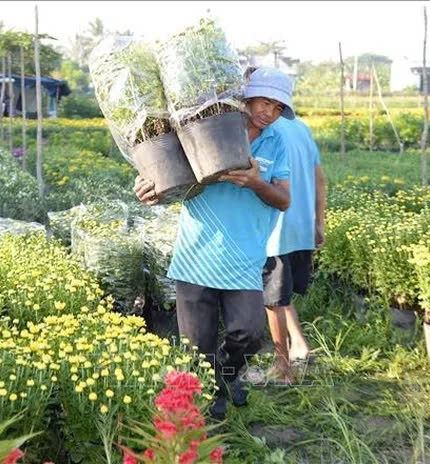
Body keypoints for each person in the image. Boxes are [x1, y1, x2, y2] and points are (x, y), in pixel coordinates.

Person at [134, 67, 295, 420]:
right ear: (246, 97)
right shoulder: (205, 127)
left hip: (244, 258)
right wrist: (150, 191)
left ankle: (223, 378)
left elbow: (284, 200)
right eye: (264, 101)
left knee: (249, 333)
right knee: (196, 347)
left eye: (278, 107)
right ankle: (205, 410)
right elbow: (167, 177)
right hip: (196, 257)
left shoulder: (277, 142)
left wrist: (255, 182)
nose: (269, 112)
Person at [261, 92, 327, 384]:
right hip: (301, 224)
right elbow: (320, 179)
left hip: (276, 227)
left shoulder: (267, 131)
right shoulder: (300, 126)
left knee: (273, 298)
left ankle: (282, 368)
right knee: (281, 292)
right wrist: (319, 223)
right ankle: (300, 344)